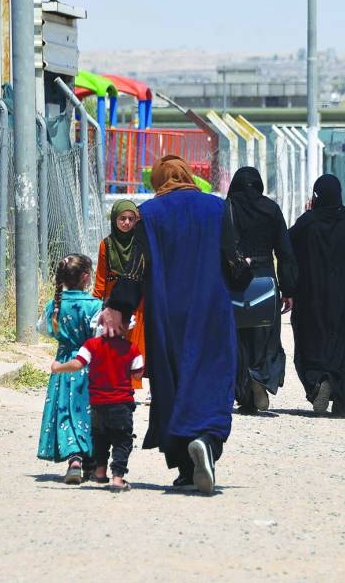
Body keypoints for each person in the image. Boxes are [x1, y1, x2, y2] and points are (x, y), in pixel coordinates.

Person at [99, 155, 237, 495]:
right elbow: (233, 262)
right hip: (212, 310)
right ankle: (207, 440)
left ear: (160, 180)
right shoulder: (217, 208)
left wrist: (118, 308)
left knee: (173, 381)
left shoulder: (151, 214)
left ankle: (187, 468)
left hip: (167, 314)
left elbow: (134, 269)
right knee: (213, 376)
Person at [288, 175, 345, 417]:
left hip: (312, 301)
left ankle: (318, 381)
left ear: (316, 196)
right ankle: (342, 398)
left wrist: (289, 289)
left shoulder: (307, 224)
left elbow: (286, 248)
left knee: (312, 345)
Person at [226, 166, 298, 414]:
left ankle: (245, 392)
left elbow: (224, 246)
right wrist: (288, 289)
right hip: (266, 278)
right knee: (265, 335)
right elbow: (285, 251)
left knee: (238, 338)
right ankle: (261, 376)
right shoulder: (270, 209)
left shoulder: (229, 208)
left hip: (236, 279)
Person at [50, 328, 144, 492]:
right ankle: (117, 478)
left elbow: (77, 364)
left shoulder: (92, 345)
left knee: (100, 438)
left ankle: (100, 473)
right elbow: (137, 375)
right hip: (121, 404)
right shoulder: (131, 348)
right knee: (122, 441)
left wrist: (58, 367)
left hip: (97, 403)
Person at [37, 254, 102, 484]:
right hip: (89, 364)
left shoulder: (53, 305)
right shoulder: (95, 306)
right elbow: (99, 334)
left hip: (63, 364)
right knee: (88, 411)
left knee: (65, 409)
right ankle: (92, 463)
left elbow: (44, 329)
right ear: (86, 277)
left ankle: (73, 459)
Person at [92, 200, 145, 394]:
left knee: (134, 341)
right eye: (122, 218)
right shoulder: (106, 244)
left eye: (131, 219)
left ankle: (131, 383)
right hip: (113, 298)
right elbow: (100, 277)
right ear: (114, 219)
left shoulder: (140, 243)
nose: (126, 223)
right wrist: (96, 303)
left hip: (136, 299)